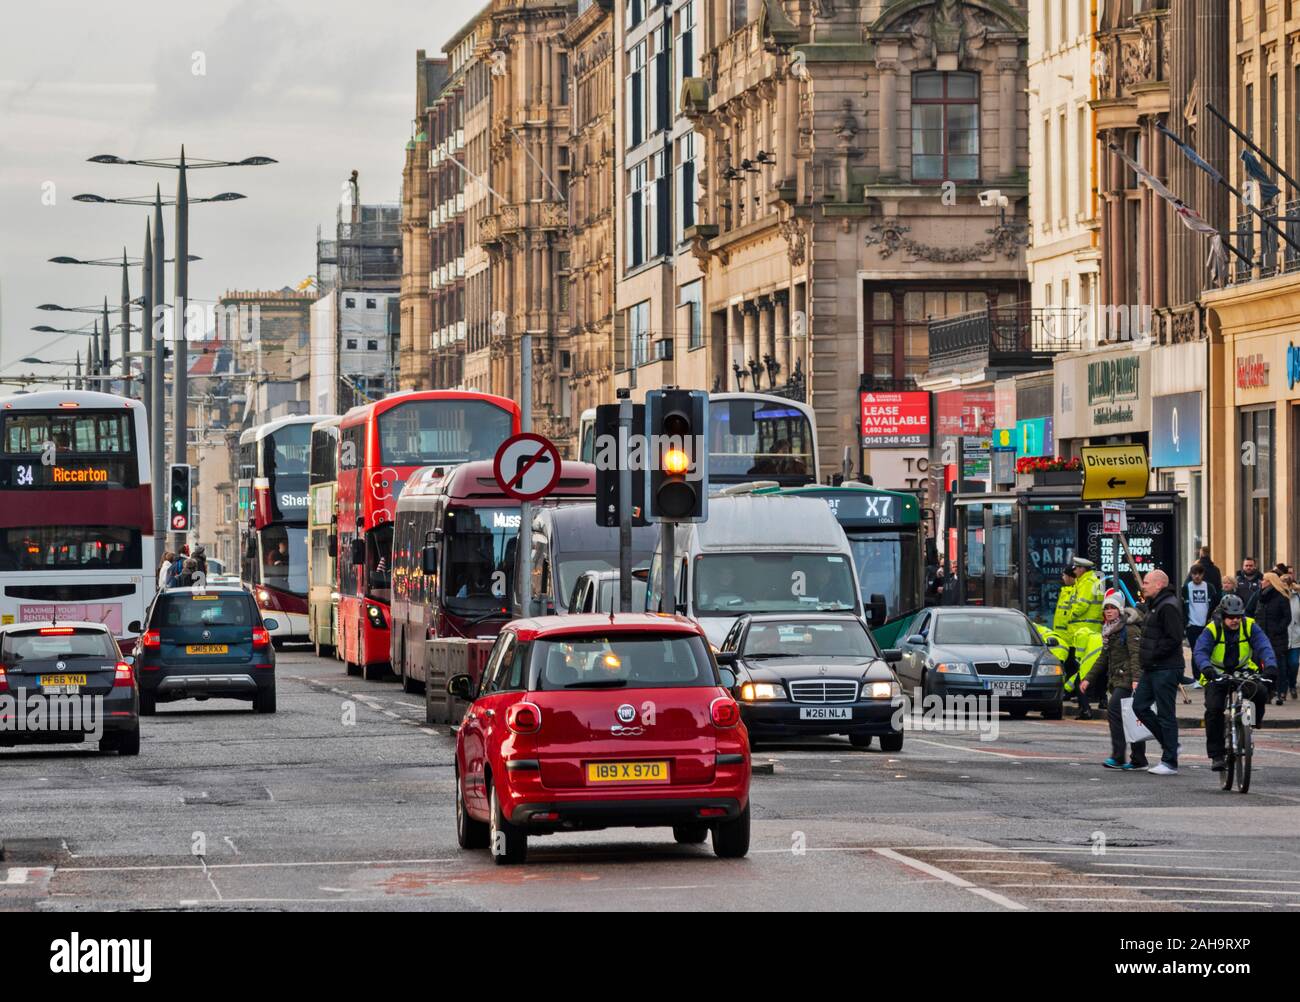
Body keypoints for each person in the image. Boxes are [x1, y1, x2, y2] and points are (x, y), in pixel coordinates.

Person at [1193, 594, 1277, 772]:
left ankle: (1252, 723)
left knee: (1260, 691)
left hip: (1243, 670)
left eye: (1238, 616)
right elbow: (1200, 651)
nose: (1235, 620)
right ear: (1223, 616)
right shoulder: (1212, 629)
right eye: (1231, 617)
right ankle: (1216, 755)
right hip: (1217, 673)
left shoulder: (1250, 626)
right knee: (1214, 709)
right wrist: (1207, 668)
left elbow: (1264, 646)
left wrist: (1270, 667)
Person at [1080, 591, 1146, 770]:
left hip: (1128, 679)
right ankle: (1138, 759)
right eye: (1106, 608)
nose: (1108, 611)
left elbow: (1135, 655)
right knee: (1129, 718)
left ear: (1120, 610)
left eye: (1112, 608)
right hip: (1117, 679)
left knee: (1116, 712)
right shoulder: (1109, 630)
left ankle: (1120, 757)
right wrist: (1088, 679)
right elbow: (1103, 657)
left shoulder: (1129, 628)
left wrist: (1136, 679)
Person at [1132, 569, 1185, 775]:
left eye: (1146, 583)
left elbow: (1174, 638)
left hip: (1166, 668)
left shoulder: (1168, 606)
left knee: (1166, 714)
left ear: (1159, 585)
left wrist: (1153, 655)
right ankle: (1169, 743)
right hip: (1152, 668)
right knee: (1140, 706)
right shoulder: (1155, 605)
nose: (1143, 586)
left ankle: (1170, 761)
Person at [1063, 556, 1105, 717]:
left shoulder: (1087, 582)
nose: (1074, 571)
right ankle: (1100, 699)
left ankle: (1084, 707)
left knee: (1080, 669)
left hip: (1084, 631)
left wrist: (1070, 614)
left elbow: (1082, 604)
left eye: (1076, 568)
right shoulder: (1093, 581)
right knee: (1096, 668)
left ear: (1082, 569)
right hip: (1092, 631)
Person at [1255, 571, 1293, 704]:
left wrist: (1277, 630)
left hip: (1277, 638)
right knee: (1263, 666)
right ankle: (1268, 692)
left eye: (1264, 580)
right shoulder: (1260, 596)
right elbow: (1255, 613)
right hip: (1262, 636)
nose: (1261, 582)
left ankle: (1281, 691)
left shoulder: (1281, 597)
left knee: (1279, 665)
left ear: (1270, 582)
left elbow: (1286, 618)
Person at [1181, 563, 1219, 652]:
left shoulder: (1209, 587)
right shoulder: (1186, 588)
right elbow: (1182, 606)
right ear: (1191, 574)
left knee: (1206, 650)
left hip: (1206, 624)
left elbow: (1215, 604)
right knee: (1195, 651)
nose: (1197, 576)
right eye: (1195, 574)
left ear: (1203, 574)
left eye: (1199, 574)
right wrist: (1186, 623)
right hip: (1192, 625)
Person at [1285, 571, 1300, 701]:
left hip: (1296, 636)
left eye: (1288, 584)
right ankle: (1283, 689)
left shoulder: (1297, 597)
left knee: (1294, 663)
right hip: (1282, 636)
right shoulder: (1278, 596)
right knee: (1283, 664)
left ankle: (1292, 685)